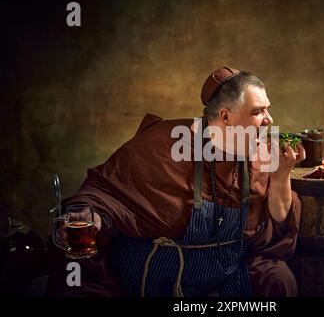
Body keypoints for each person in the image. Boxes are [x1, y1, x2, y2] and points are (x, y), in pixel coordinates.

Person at [50, 67, 305, 297]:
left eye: (267, 109)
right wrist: (92, 218)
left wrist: (281, 175)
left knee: (278, 280)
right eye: (258, 111)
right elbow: (102, 193)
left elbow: (276, 223)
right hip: (158, 274)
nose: (270, 119)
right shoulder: (162, 144)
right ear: (226, 117)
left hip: (224, 272)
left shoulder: (258, 151)